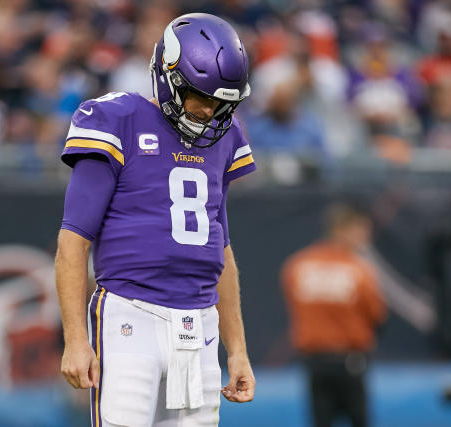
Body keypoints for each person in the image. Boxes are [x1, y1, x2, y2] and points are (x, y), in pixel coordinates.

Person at [55, 13, 256, 427]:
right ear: (168, 76)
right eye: (200, 95)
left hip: (201, 325)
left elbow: (220, 248)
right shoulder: (119, 119)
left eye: (222, 101)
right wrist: (75, 339)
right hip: (132, 315)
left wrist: (237, 350)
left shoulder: (226, 137)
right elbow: (73, 241)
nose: (210, 110)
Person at [280, 203, 386, 427]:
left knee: (321, 420)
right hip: (350, 360)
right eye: (360, 229)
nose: (365, 236)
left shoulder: (298, 265)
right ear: (342, 229)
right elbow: (376, 315)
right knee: (359, 419)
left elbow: (294, 304)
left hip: (314, 360)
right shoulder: (360, 269)